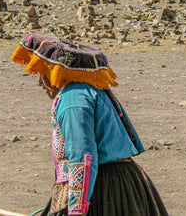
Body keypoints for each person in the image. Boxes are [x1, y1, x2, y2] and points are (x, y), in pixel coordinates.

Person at [11, 33, 168, 216]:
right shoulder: (92, 91)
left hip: (103, 187)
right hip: (125, 181)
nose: (40, 82)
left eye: (43, 73)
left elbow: (82, 158)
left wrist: (77, 209)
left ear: (57, 71)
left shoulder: (72, 100)